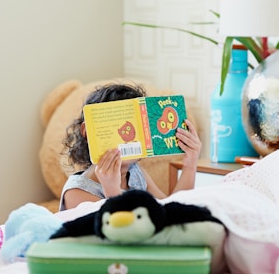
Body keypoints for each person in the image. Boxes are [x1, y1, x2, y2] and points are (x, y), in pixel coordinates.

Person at [59, 82, 202, 211]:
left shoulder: (135, 173)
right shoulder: (76, 192)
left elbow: (169, 211)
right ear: (87, 132)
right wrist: (112, 189)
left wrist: (190, 162)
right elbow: (126, 232)